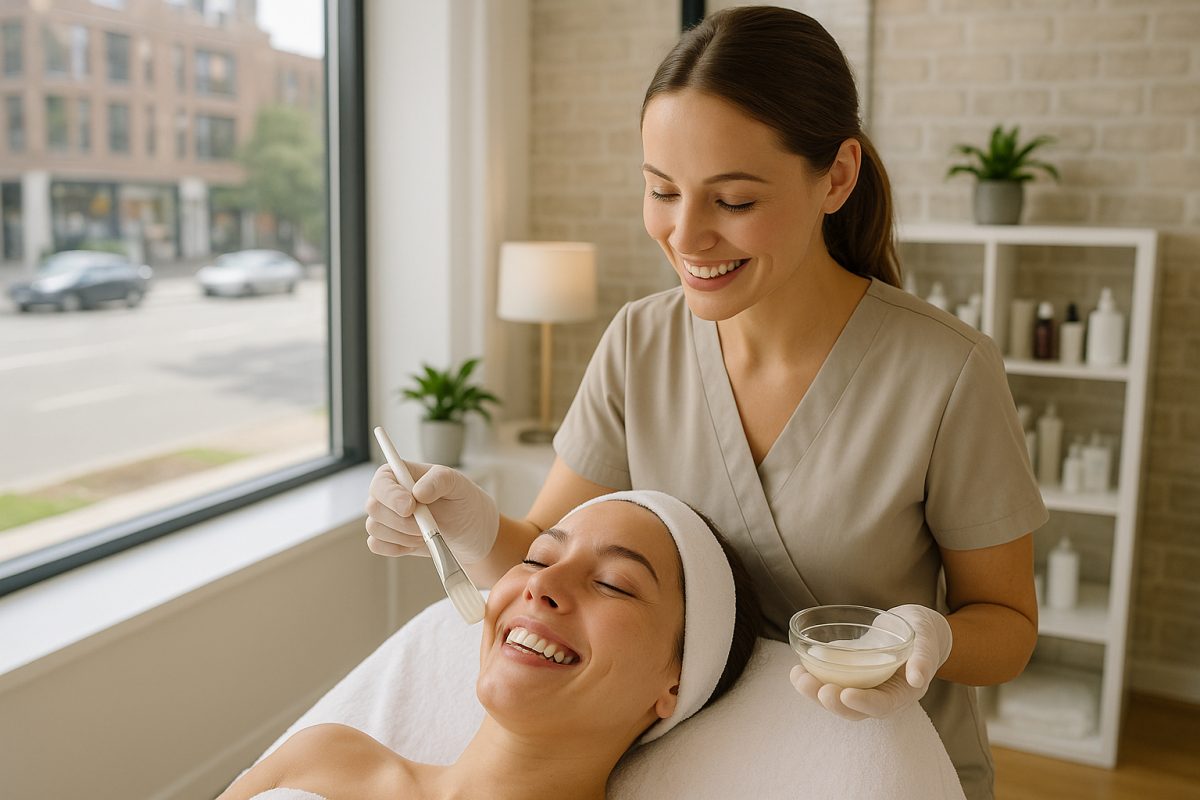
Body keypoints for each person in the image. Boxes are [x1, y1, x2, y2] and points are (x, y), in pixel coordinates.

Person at [365, 7, 1045, 799]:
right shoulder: (639, 343)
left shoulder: (946, 371)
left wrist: (928, 641)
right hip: (688, 765)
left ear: (837, 176)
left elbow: (1008, 626)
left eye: (734, 202)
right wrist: (470, 524)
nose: (686, 236)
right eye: (661, 190)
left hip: (878, 768)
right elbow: (542, 560)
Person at [224, 491, 762, 800]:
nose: (542, 583)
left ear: (675, 683)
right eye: (537, 558)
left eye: (614, 584)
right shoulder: (323, 756)